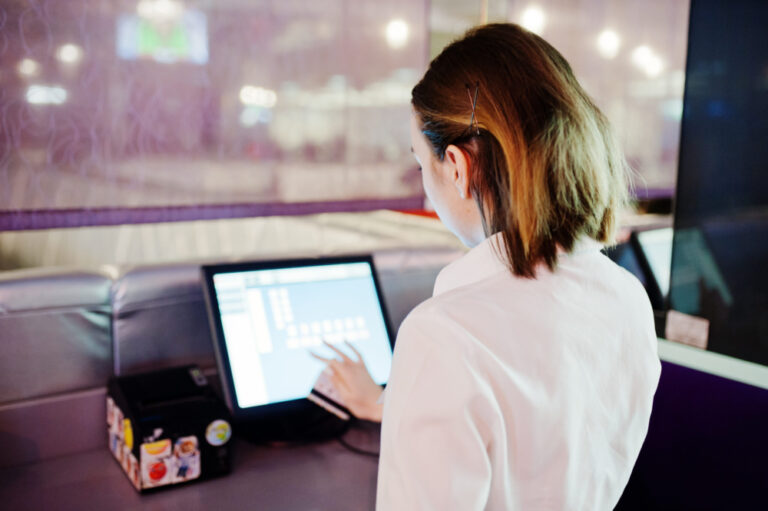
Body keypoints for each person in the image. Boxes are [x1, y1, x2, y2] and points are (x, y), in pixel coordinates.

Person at [315, 23, 661, 510]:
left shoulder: (444, 335)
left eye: (421, 165)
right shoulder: (626, 297)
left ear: (457, 167)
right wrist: (385, 403)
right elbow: (543, 432)